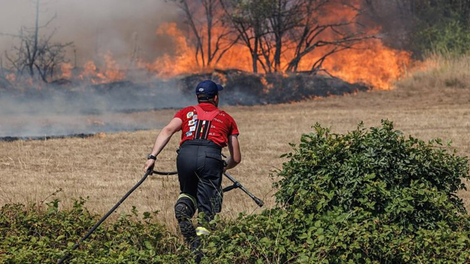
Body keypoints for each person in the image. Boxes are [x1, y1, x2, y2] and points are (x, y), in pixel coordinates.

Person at [143, 79, 241, 255]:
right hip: (211, 157)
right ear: (216, 98)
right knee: (207, 206)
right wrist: (223, 167)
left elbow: (167, 131)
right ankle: (199, 248)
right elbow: (236, 158)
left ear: (198, 97)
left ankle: (183, 209)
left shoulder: (186, 113)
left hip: (185, 156)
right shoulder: (227, 118)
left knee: (188, 192)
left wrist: (152, 157)